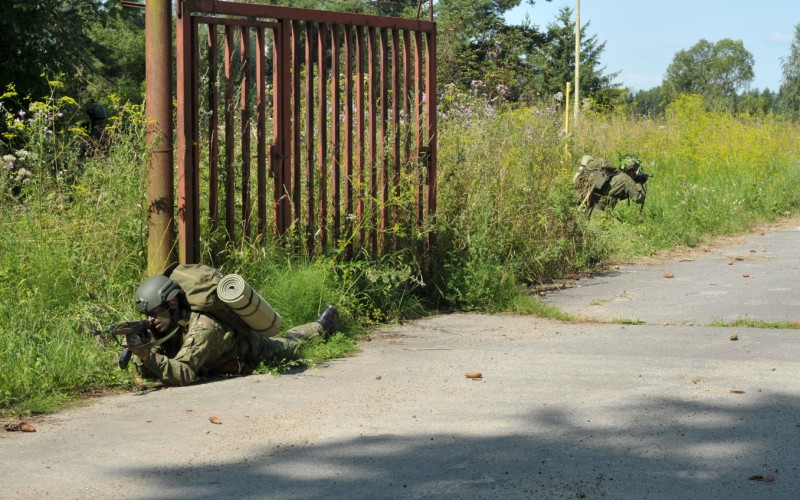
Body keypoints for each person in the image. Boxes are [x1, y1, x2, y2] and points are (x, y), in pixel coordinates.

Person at [126, 273, 340, 386]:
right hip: (215, 363)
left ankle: (323, 325)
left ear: (173, 304)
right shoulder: (170, 324)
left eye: (155, 313)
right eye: (147, 315)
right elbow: (149, 373)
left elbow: (183, 374)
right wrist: (145, 349)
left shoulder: (204, 327)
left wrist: (147, 354)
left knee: (291, 344)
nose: (150, 320)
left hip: (251, 349)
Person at [573, 154, 651, 216]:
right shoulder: (625, 179)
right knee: (598, 229)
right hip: (600, 210)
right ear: (632, 170)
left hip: (591, 204)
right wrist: (639, 183)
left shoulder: (613, 175)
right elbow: (638, 198)